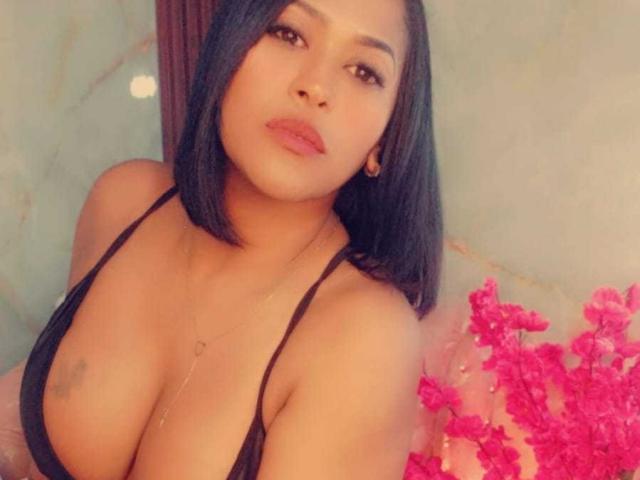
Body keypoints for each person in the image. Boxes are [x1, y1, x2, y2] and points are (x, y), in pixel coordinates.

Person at [2, 0, 442, 478]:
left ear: (384, 138)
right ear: (227, 49)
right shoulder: (125, 203)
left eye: (364, 71)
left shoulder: (366, 338)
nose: (316, 87)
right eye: (288, 34)